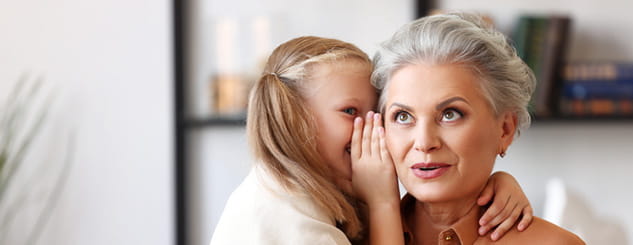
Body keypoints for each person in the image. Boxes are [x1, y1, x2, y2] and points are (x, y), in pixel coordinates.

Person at [210, 36, 534, 244]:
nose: (373, 127)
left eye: (382, 114)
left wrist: (496, 182)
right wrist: (382, 204)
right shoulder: (294, 224)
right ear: (294, 119)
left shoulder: (327, 198)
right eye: (350, 111)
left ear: (505, 129)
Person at [353, 13, 586, 244]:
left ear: (504, 129)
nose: (424, 142)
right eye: (403, 116)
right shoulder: (342, 237)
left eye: (450, 114)